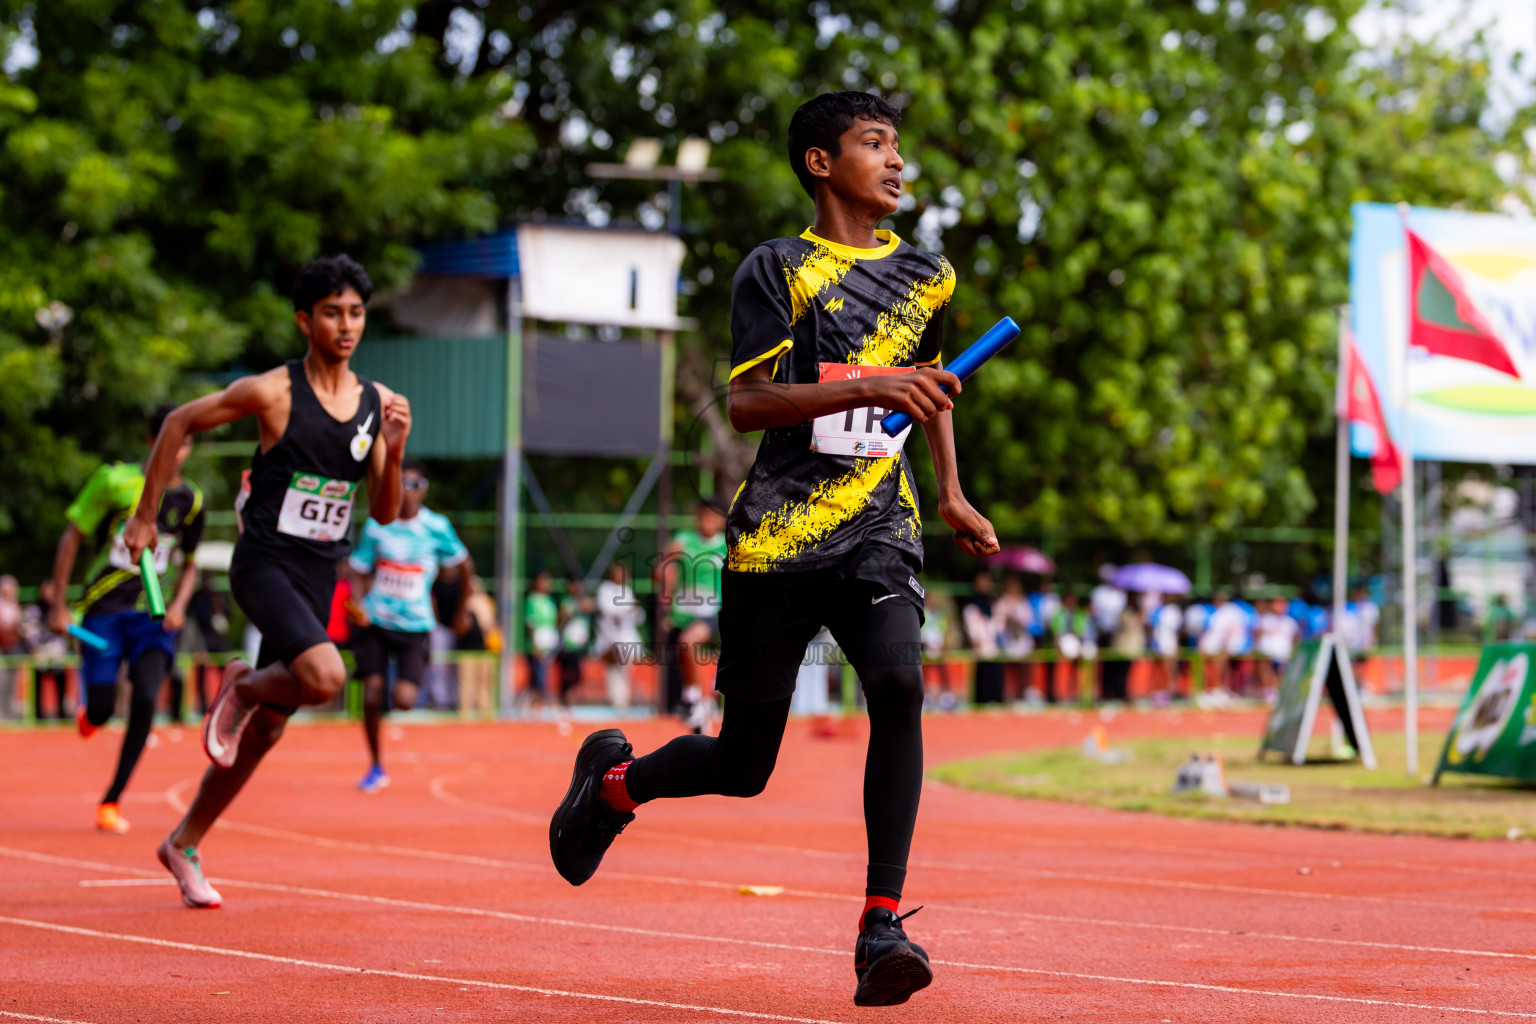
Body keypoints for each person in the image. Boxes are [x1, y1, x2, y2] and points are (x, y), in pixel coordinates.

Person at [547, 90, 998, 1008]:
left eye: (899, 146)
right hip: (780, 538)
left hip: (881, 531)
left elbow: (934, 390)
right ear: (822, 164)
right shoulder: (779, 268)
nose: (898, 162)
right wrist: (873, 380)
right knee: (744, 766)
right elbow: (749, 404)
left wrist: (948, 490)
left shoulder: (929, 278)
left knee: (901, 688)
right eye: (876, 144)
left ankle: (880, 924)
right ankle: (613, 788)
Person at [124, 255, 410, 908]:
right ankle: (245, 684)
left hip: (317, 575)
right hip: (265, 564)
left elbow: (386, 510)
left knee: (269, 731)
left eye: (357, 313)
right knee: (327, 678)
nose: (347, 325)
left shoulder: (375, 405)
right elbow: (178, 424)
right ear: (305, 320)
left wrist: (395, 444)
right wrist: (145, 518)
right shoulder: (273, 392)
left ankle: (183, 841)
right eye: (333, 313)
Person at [47, 406, 204, 834]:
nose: (178, 452)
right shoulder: (114, 481)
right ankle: (92, 715)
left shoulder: (191, 501)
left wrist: (179, 605)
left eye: (186, 444)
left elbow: (191, 564)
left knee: (147, 699)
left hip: (153, 616)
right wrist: (59, 604)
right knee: (101, 707)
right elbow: (74, 533)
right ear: (153, 441)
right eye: (172, 441)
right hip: (103, 611)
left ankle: (111, 800)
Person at [346, 460, 470, 792]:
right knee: (371, 694)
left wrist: (461, 611)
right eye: (401, 484)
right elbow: (358, 569)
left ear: (423, 489)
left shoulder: (436, 527)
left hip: (416, 626)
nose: (407, 491)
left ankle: (403, 680)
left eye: (414, 484)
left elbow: (464, 565)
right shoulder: (377, 525)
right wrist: (357, 604)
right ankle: (375, 765)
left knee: (403, 699)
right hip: (375, 620)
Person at [659, 497, 728, 733]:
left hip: (712, 612)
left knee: (689, 641)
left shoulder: (727, 545)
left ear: (722, 520)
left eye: (713, 515)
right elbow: (661, 573)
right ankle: (698, 708)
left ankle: (697, 700)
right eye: (703, 514)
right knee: (682, 652)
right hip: (681, 613)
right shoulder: (684, 540)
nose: (706, 520)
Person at [593, 562, 644, 710]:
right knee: (613, 670)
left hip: (626, 638)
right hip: (609, 638)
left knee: (625, 669)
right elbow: (608, 610)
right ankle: (617, 701)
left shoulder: (627, 591)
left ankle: (623, 701)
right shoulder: (605, 589)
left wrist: (631, 610)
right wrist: (628, 608)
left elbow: (638, 616)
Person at [22, 580, 71, 721]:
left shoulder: (60, 608)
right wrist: (34, 647)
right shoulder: (34, 609)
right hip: (40, 650)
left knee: (61, 681)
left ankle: (62, 712)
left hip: (57, 651)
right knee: (37, 683)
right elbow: (29, 630)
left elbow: (67, 628)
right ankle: (38, 714)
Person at [523, 570, 557, 708]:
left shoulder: (549, 600)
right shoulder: (532, 600)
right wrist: (534, 643)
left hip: (547, 644)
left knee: (544, 675)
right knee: (537, 676)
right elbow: (530, 623)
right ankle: (531, 703)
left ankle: (538, 704)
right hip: (536, 644)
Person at [1256, 596, 1300, 692]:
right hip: (1267, 653)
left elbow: (1295, 638)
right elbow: (1257, 633)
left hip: (1283, 653)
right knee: (1267, 670)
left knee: (1281, 673)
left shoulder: (1290, 621)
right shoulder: (1266, 619)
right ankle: (1268, 691)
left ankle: (1279, 691)